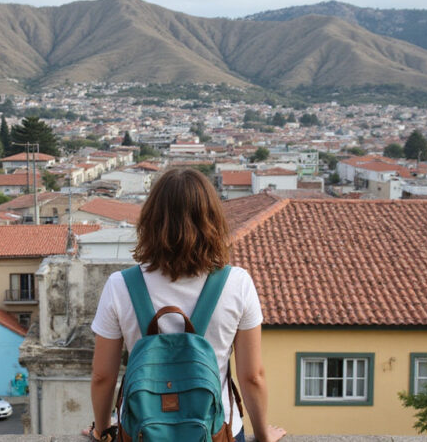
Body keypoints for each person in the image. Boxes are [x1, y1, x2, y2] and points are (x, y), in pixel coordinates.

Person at [89, 168, 286, 442]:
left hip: (142, 432)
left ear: (151, 221)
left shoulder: (120, 286)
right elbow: (252, 376)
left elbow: (103, 376)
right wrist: (263, 435)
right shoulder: (237, 284)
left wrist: (102, 430)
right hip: (218, 432)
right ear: (213, 221)